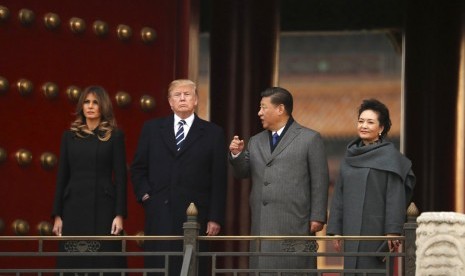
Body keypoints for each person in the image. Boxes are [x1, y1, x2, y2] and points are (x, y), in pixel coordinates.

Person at [229, 86, 330, 275]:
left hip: (295, 219)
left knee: (295, 268)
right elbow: (243, 173)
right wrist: (237, 155)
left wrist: (317, 215)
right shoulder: (255, 141)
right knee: (263, 268)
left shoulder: (309, 138)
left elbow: (320, 179)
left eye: (263, 107)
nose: (259, 113)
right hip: (262, 220)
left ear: (280, 109)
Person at [130, 79, 227, 276]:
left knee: (191, 266)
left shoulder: (213, 133)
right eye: (177, 95)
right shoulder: (152, 129)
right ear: (170, 102)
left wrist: (215, 217)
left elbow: (219, 178)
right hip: (160, 212)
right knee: (160, 267)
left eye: (187, 94)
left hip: (195, 215)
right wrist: (147, 196)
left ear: (196, 100)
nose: (182, 98)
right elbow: (138, 168)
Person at [326, 99, 416, 276]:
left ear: (381, 128)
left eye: (370, 122)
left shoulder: (390, 157)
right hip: (351, 228)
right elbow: (339, 195)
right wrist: (335, 230)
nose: (364, 126)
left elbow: (394, 196)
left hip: (376, 229)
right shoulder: (350, 155)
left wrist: (392, 230)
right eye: (361, 121)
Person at [51, 86, 128, 274]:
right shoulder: (69, 136)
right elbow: (62, 175)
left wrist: (119, 214)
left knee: (104, 261)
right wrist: (57, 215)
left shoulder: (114, 136)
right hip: (73, 207)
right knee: (74, 261)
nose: (90, 106)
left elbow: (121, 178)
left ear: (103, 107)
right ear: (81, 106)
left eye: (95, 102)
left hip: (104, 209)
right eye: (86, 102)